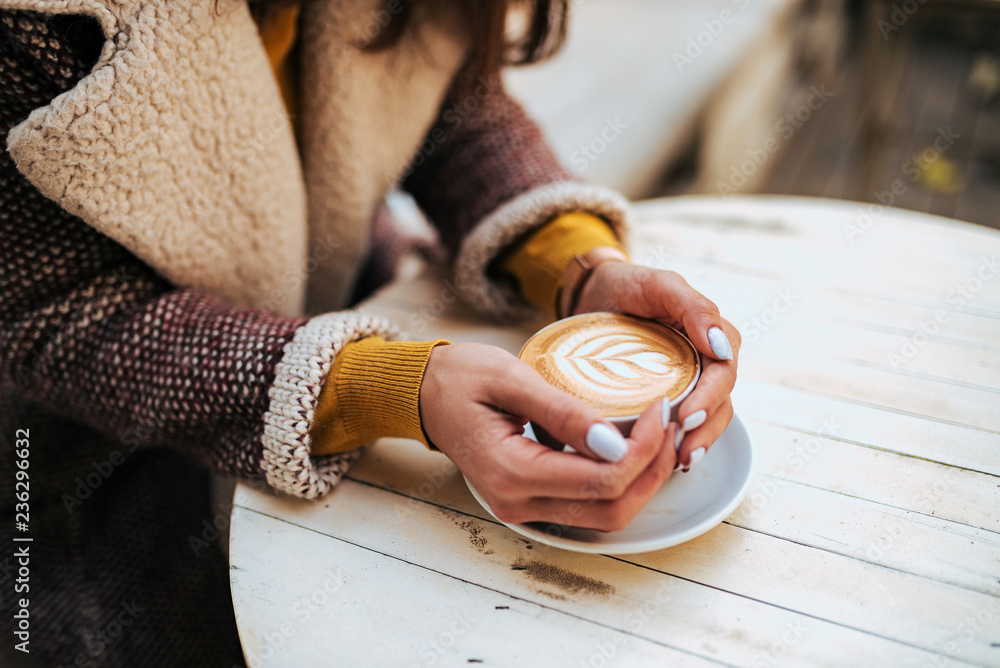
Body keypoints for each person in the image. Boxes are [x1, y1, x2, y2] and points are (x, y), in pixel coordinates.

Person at [0, 0, 740, 665]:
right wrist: (383, 387)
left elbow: (449, 108)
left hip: (357, 297)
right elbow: (61, 317)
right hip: (91, 484)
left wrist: (575, 263)